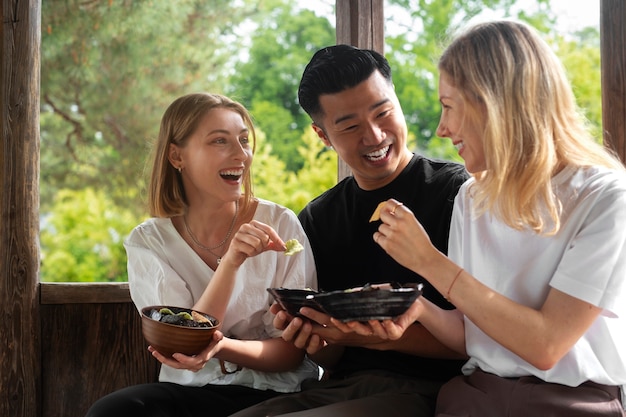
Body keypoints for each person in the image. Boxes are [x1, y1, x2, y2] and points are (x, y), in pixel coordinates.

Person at [337, 20, 626, 417]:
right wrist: (418, 310)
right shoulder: (472, 197)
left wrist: (428, 261)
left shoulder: (606, 197)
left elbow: (545, 346)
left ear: (494, 103)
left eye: (449, 106)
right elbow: (474, 337)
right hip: (474, 396)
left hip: (569, 403)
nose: (441, 129)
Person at [231, 45, 469, 417]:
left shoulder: (457, 194)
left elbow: (479, 339)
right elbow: (331, 352)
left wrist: (376, 339)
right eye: (350, 126)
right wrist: (312, 335)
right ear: (322, 135)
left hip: (437, 392)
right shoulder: (316, 218)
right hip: (340, 388)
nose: (374, 136)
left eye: (383, 113)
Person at [85, 92, 319, 417]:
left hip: (276, 391)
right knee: (112, 411)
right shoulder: (149, 241)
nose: (241, 155)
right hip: (189, 392)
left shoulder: (280, 223)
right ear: (176, 156)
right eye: (219, 141)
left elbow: (291, 353)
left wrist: (222, 347)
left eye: (244, 140)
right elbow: (183, 346)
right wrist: (232, 263)